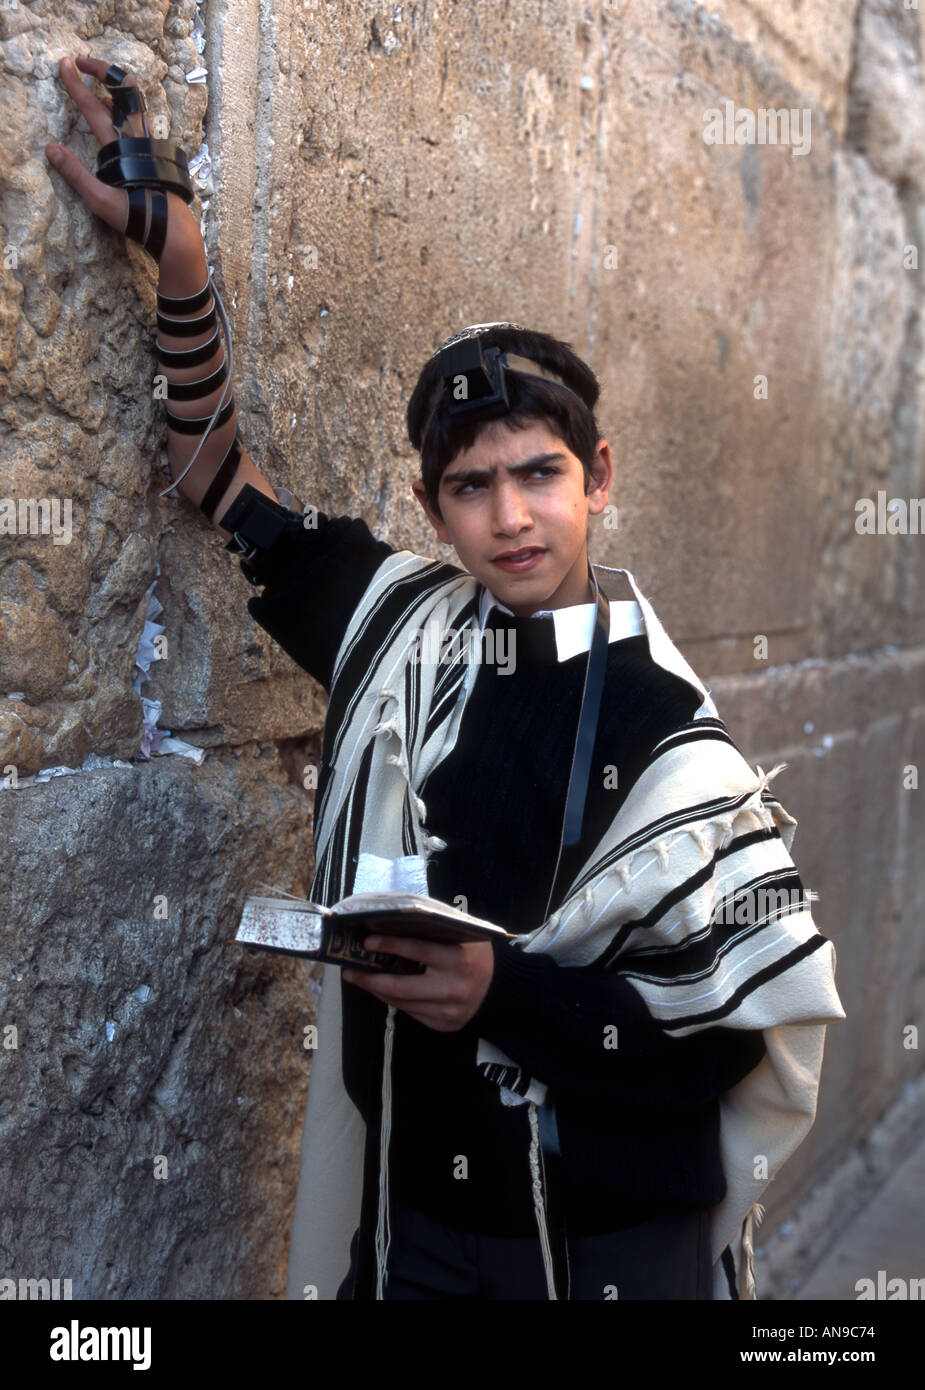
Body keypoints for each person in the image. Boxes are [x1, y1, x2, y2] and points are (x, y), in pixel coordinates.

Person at [44, 55, 846, 1302]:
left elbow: (722, 1047)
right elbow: (212, 476)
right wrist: (181, 258)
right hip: (411, 1233)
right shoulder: (391, 618)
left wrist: (499, 991)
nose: (511, 517)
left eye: (539, 473)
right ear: (432, 504)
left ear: (599, 475)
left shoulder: (677, 742)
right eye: (472, 486)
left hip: (604, 1253)